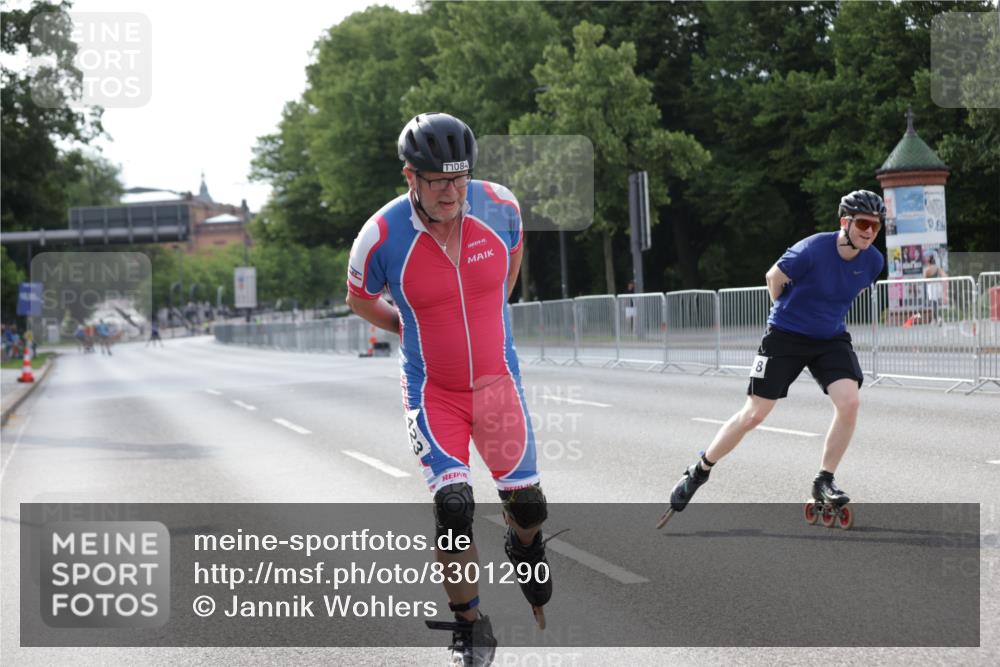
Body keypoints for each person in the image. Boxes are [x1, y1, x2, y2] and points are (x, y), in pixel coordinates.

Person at [346, 112, 551, 666]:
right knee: (454, 507)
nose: (451, 193)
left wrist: (488, 320)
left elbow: (506, 273)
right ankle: (470, 627)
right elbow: (360, 298)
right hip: (433, 392)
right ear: (410, 177)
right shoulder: (382, 235)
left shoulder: (501, 208)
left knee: (529, 507)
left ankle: (522, 543)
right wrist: (405, 325)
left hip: (496, 384)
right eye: (438, 181)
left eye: (460, 179)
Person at [665, 190, 886, 521]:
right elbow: (774, 278)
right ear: (845, 222)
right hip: (785, 336)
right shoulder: (812, 249)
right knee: (754, 414)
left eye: (876, 226)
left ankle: (824, 480)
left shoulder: (873, 262)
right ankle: (700, 469)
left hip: (829, 338)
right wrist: (789, 311)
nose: (869, 232)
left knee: (850, 403)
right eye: (864, 224)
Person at [923, 255, 948, 324]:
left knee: (933, 303)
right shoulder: (937, 268)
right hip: (938, 285)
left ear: (928, 262)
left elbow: (925, 279)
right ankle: (935, 318)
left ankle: (937, 318)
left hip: (931, 287)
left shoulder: (927, 269)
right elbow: (945, 275)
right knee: (936, 303)